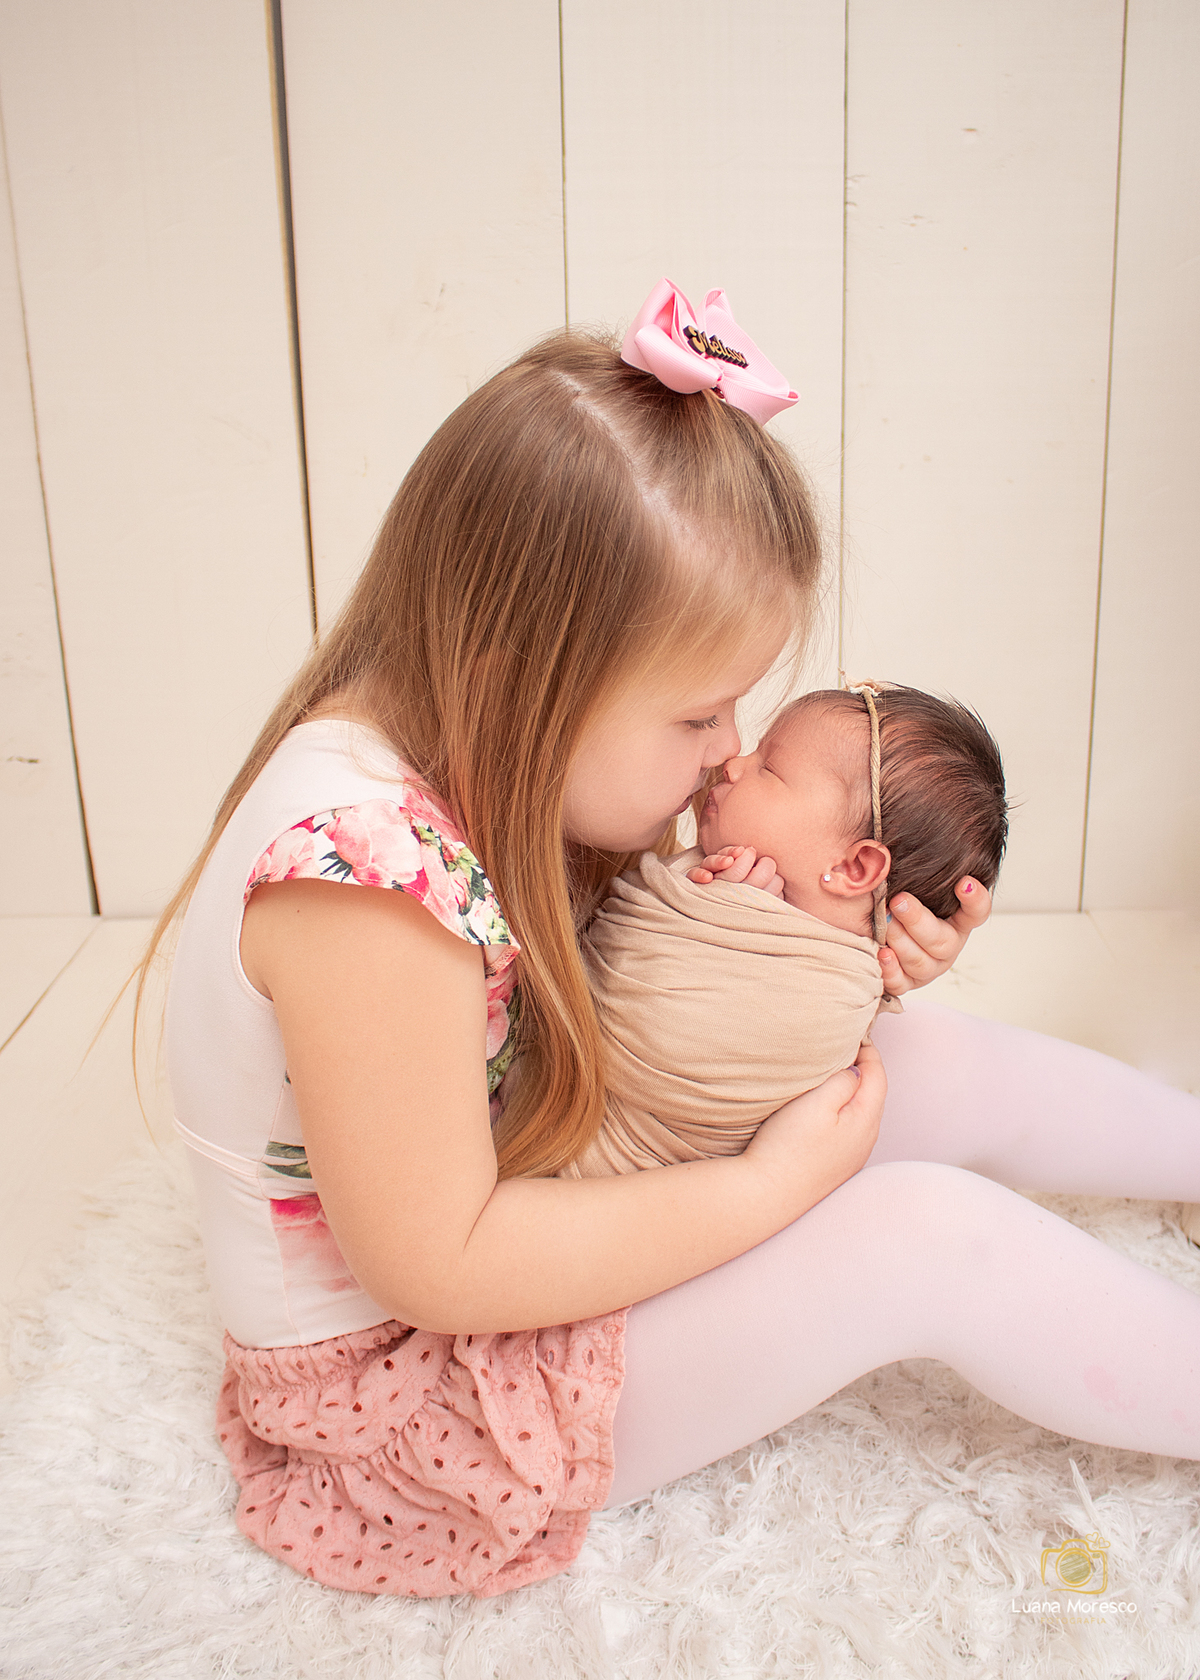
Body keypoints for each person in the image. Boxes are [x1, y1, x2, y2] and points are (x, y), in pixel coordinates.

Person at [153, 280, 1200, 1604]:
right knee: (924, 1235)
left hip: (548, 1171)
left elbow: (620, 994)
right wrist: (773, 1188)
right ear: (530, 678)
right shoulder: (365, 895)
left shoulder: (466, 741)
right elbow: (443, 1266)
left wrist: (825, 952)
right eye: (701, 717)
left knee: (909, 1065)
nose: (725, 756)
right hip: (420, 1401)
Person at [562, 681, 1009, 1178]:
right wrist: (710, 906)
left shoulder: (837, 985)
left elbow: (651, 998)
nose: (732, 762)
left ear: (854, 868)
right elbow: (605, 1013)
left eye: (768, 768)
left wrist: (888, 956)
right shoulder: (723, 892)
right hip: (610, 1178)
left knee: (945, 1053)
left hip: (670, 1170)